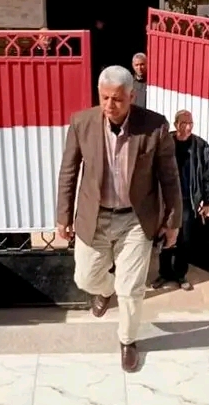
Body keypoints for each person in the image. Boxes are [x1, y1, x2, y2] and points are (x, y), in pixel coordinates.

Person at [57, 65, 182, 372]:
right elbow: (69, 171)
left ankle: (127, 341)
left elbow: (169, 177)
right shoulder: (82, 123)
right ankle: (104, 290)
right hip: (95, 215)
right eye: (104, 98)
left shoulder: (154, 126)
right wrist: (63, 215)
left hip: (136, 219)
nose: (110, 105)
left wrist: (173, 221)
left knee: (132, 288)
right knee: (85, 277)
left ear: (132, 96)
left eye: (117, 99)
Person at [153, 110, 209, 291]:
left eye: (190, 123)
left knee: (184, 239)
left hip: (187, 200)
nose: (188, 127)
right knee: (165, 236)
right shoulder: (166, 143)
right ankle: (164, 273)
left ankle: (180, 274)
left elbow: (207, 175)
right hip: (167, 198)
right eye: (184, 123)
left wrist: (207, 201)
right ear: (176, 124)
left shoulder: (200, 146)